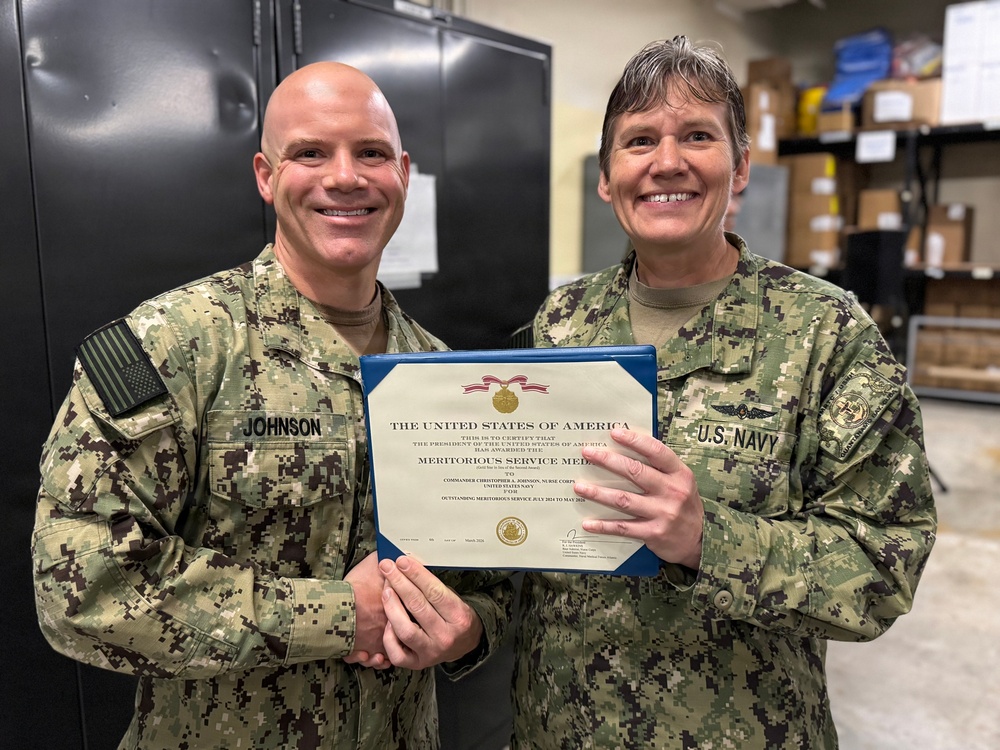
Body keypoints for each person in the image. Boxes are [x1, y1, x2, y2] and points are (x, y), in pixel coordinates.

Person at [31, 61, 510, 749]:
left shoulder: (440, 371)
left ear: (402, 172)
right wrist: (341, 615)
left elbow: (485, 572)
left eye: (371, 153)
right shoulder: (174, 346)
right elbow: (81, 591)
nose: (345, 177)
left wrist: (468, 629)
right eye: (310, 152)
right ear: (265, 175)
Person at [511, 37, 936, 748]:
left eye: (697, 136)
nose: (667, 162)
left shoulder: (826, 332)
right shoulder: (562, 322)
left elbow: (882, 566)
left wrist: (710, 539)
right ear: (606, 178)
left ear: (739, 169)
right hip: (562, 725)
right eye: (639, 140)